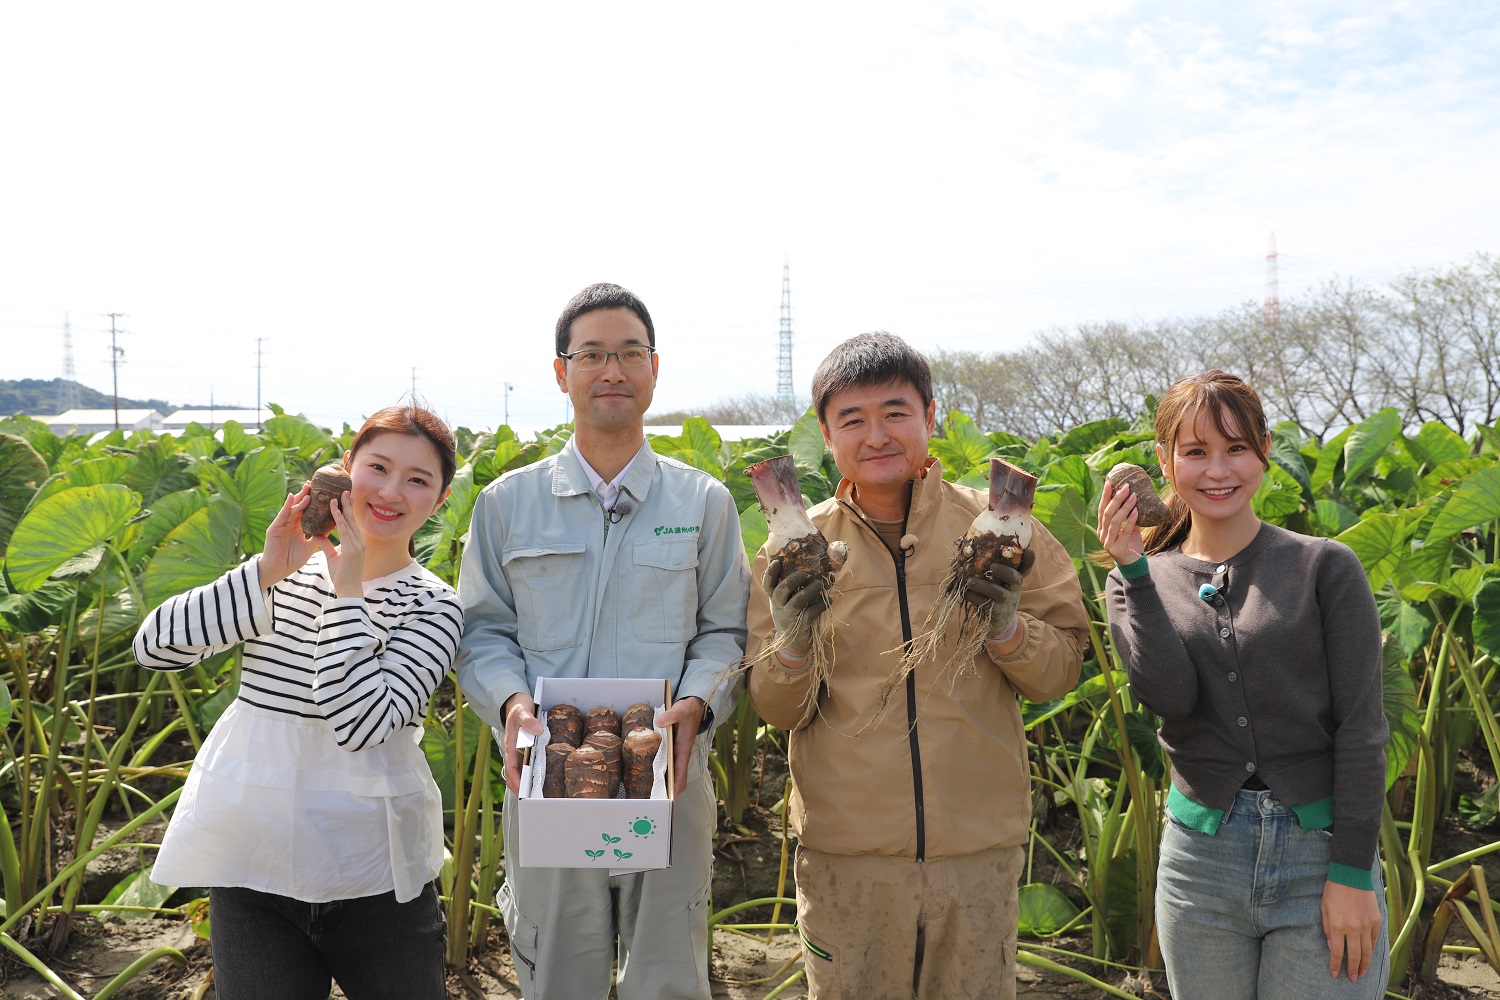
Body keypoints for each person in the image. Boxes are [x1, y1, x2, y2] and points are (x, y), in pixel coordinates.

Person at [746, 331, 1088, 1000]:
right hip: (848, 857)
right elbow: (777, 708)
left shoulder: (1000, 529)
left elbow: (1060, 670)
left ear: (930, 416)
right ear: (825, 434)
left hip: (976, 853)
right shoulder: (794, 548)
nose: (877, 436)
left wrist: (1008, 629)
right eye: (853, 419)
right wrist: (791, 643)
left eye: (896, 413)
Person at [455, 282, 749, 1000]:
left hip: (668, 778)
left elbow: (727, 631)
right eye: (592, 354)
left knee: (668, 977)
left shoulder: (703, 502)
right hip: (549, 778)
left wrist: (698, 705)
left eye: (629, 353)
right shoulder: (507, 504)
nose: (612, 370)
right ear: (562, 373)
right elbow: (482, 631)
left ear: (654, 368)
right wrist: (511, 704)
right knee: (559, 972)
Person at [133, 403, 461, 1000]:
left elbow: (360, 724)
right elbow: (154, 647)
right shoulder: (284, 573)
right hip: (253, 865)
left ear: (439, 500)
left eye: (417, 479)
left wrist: (347, 594)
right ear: (346, 469)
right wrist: (265, 570)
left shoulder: (433, 606)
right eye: (378, 467)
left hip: (376, 877)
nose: (391, 492)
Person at [1096, 369, 1388, 999]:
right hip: (1200, 866)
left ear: (1265, 450)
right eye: (1195, 452)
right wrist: (1137, 572)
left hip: (1319, 854)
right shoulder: (1133, 581)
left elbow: (1362, 727)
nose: (1218, 470)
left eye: (1235, 448)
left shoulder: (1325, 567)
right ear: (1165, 461)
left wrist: (1352, 872)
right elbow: (1170, 699)